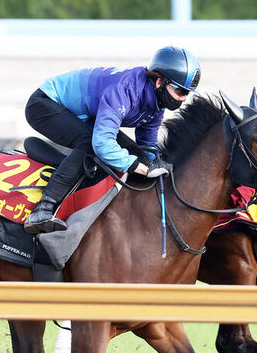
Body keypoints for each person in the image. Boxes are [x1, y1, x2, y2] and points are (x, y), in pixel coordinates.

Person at [22, 46, 201, 234]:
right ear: (159, 82)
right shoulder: (124, 90)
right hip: (44, 104)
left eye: (188, 92)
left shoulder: (157, 105)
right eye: (181, 91)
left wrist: (157, 164)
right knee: (90, 143)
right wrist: (138, 167)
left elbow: (147, 145)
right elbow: (102, 143)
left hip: (80, 114)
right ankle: (43, 208)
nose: (184, 98)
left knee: (131, 149)